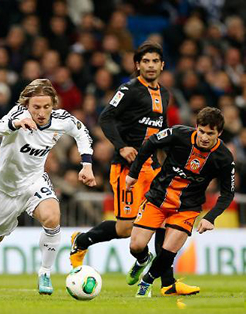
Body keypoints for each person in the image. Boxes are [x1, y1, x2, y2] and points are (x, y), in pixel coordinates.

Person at [70, 41, 196, 294]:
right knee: (127, 228)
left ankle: (168, 284)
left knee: (165, 221)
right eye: (145, 61)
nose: (150, 66)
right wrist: (121, 146)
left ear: (162, 65)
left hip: (155, 168)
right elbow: (106, 117)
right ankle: (81, 241)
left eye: (155, 61)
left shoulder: (165, 94)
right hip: (127, 169)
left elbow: (162, 132)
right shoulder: (128, 90)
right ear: (138, 65)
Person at [0, 79, 96, 299]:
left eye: (46, 107)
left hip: (34, 182)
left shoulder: (61, 119)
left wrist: (86, 165)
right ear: (27, 105)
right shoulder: (17, 114)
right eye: (36, 107)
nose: (41, 112)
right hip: (5, 188)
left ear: (53, 105)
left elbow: (82, 133)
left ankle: (45, 273)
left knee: (52, 218)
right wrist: (16, 124)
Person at [125, 107, 234, 297]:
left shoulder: (224, 157)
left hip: (187, 207)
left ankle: (146, 282)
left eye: (210, 133)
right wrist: (133, 174)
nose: (205, 137)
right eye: (201, 131)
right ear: (196, 127)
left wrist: (210, 217)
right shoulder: (179, 134)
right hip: (158, 198)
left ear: (219, 133)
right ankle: (142, 260)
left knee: (168, 251)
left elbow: (227, 193)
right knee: (136, 246)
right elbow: (150, 142)